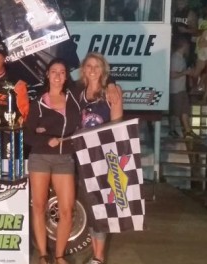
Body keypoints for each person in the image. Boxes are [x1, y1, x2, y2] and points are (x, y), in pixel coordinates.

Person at [25, 58, 81, 264]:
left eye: (62, 72)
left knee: (66, 210)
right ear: (47, 75)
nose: (58, 75)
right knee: (39, 206)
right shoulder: (38, 102)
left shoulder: (74, 99)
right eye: (54, 71)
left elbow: (97, 77)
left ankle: (59, 255)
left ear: (66, 76)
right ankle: (42, 254)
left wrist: (110, 83)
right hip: (40, 157)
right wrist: (46, 137)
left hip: (64, 158)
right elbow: (27, 134)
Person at [73, 52, 123, 264]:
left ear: (104, 70)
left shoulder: (112, 93)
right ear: (83, 69)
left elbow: (118, 127)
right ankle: (96, 256)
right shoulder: (77, 92)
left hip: (102, 158)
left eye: (97, 66)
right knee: (91, 206)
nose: (93, 69)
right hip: (81, 157)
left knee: (101, 208)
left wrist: (114, 162)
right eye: (89, 66)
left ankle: (99, 257)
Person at [169, 38, 199, 139]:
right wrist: (184, 72)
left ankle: (187, 131)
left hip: (182, 89)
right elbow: (171, 75)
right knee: (175, 112)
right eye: (187, 47)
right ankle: (172, 129)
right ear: (184, 46)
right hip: (175, 90)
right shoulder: (175, 58)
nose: (189, 49)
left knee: (185, 110)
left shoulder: (182, 58)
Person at [172, 0, 198, 65]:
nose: (180, 2)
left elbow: (196, 31)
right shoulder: (174, 12)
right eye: (178, 1)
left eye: (182, 1)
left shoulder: (190, 14)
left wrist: (186, 30)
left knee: (184, 64)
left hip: (185, 44)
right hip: (174, 43)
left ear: (186, 2)